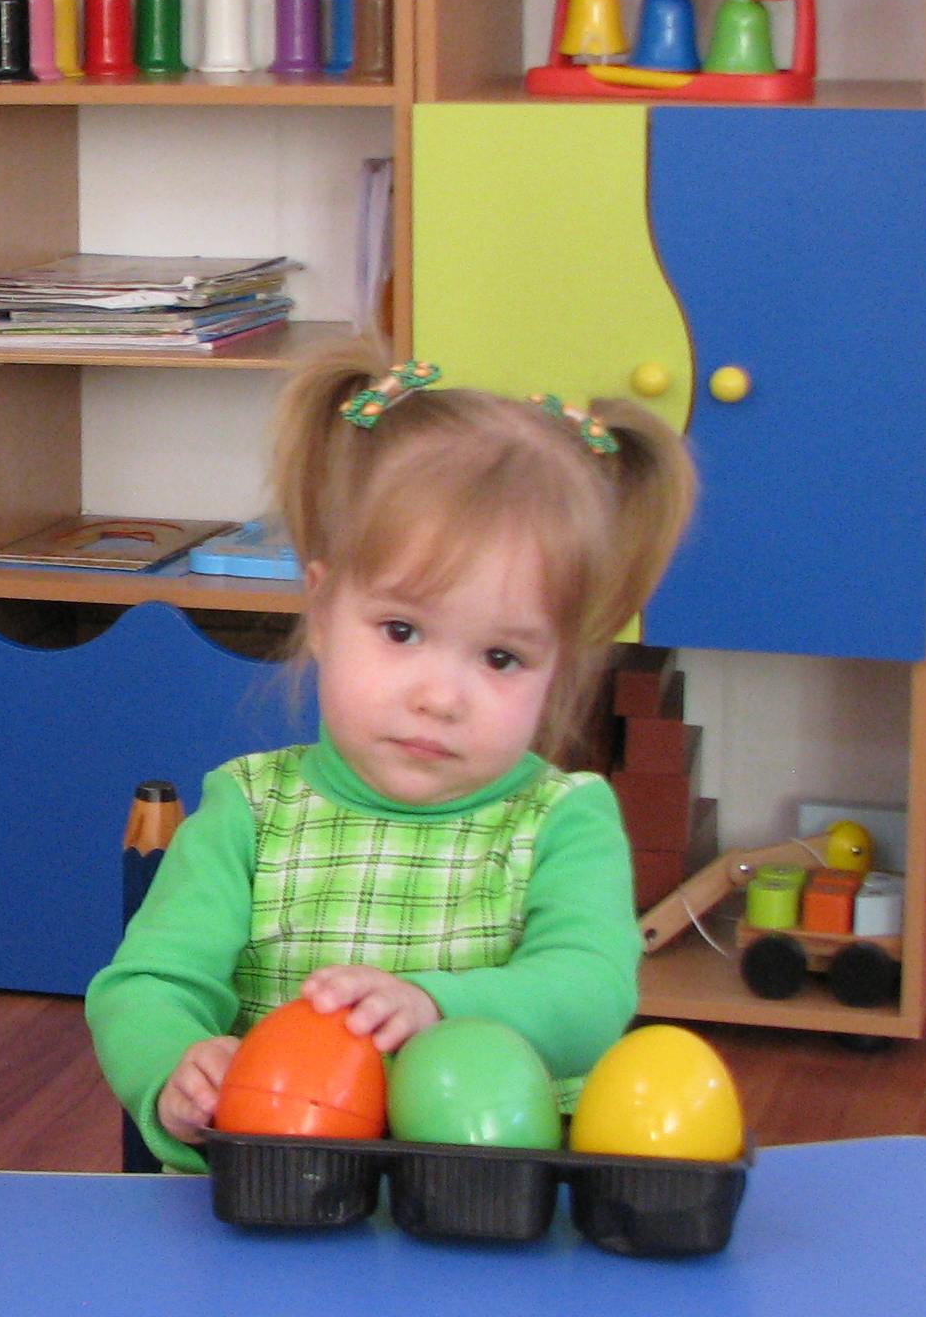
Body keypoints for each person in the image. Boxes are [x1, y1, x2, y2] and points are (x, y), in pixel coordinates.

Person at [86, 351, 696, 1170]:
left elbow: (591, 994)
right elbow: (149, 984)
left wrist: (435, 1004)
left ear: (560, 668)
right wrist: (175, 1068)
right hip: (271, 1196)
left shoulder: (563, 820)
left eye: (503, 658)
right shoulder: (250, 810)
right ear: (323, 609)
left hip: (487, 1201)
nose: (440, 697)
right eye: (402, 631)